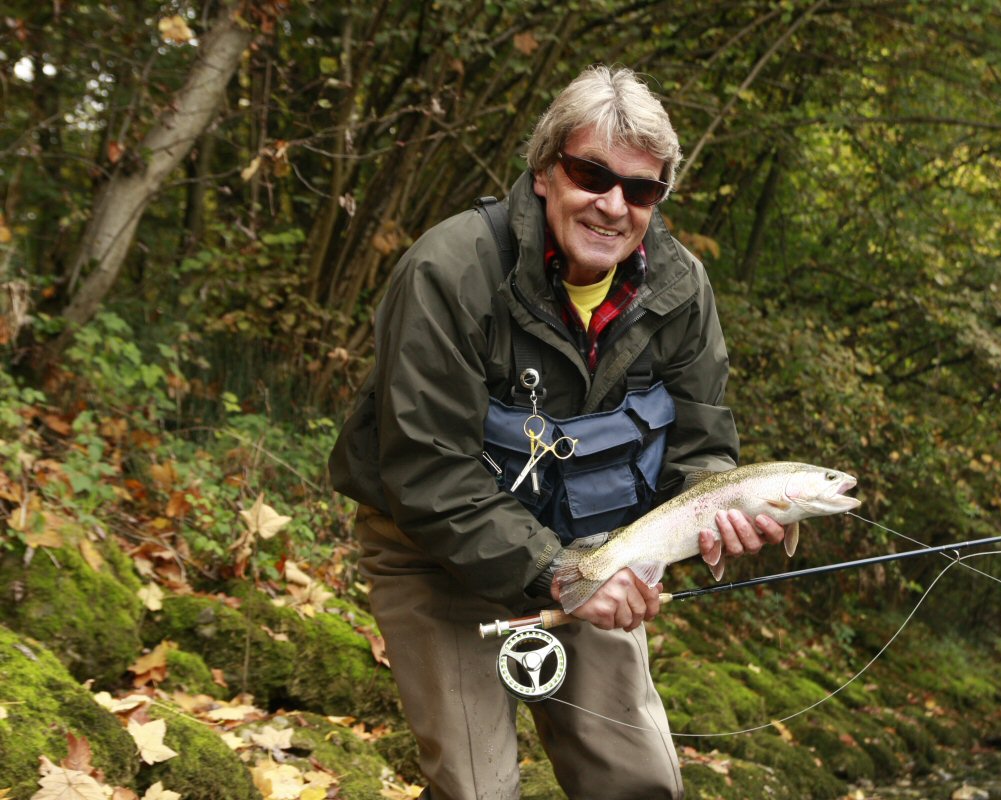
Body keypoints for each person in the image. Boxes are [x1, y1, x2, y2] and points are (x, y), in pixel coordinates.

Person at [329, 64, 785, 800]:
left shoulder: (680, 290)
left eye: (641, 190)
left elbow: (700, 449)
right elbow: (427, 473)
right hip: (434, 550)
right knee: (477, 790)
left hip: (595, 548)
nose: (613, 205)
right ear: (544, 171)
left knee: (639, 786)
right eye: (591, 175)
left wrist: (715, 508)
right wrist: (562, 575)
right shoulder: (450, 271)